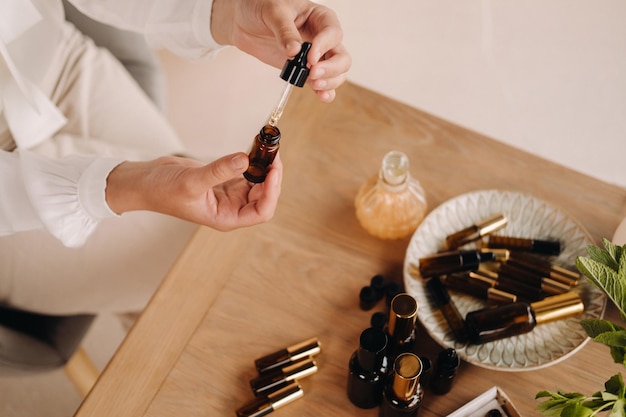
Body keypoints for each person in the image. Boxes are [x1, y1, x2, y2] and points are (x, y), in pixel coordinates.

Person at [0, 0, 351, 318]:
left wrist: (226, 15)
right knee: (203, 255)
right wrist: (128, 186)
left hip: (50, 64)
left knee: (181, 260)